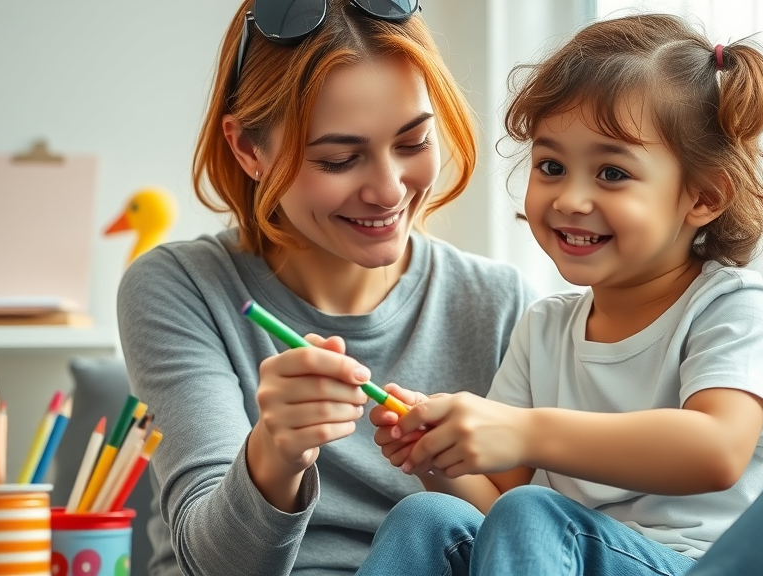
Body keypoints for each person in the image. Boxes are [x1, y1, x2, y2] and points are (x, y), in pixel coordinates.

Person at [357, 14, 763, 576]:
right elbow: (491, 502)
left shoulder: (733, 305)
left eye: (613, 173)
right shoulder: (543, 328)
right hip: (569, 554)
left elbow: (717, 448)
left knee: (533, 511)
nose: (570, 198)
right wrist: (438, 457)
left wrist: (523, 430)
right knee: (428, 517)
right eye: (550, 166)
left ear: (703, 198)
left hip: (699, 564)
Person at [115, 1, 539, 574]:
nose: (389, 191)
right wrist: (276, 452)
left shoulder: (500, 303)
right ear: (248, 149)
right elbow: (212, 565)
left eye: (413, 143)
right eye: (340, 159)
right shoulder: (181, 288)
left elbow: (532, 545)